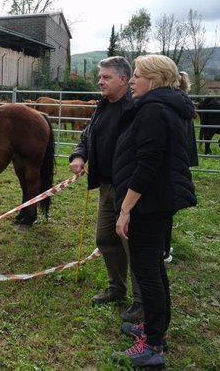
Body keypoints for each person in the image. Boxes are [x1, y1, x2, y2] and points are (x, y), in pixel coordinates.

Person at [112, 55, 197, 368]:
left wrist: (125, 209)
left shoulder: (152, 109)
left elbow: (148, 164)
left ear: (154, 79)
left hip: (149, 204)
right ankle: (154, 329)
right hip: (159, 201)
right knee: (154, 268)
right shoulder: (166, 106)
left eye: (136, 75)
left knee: (147, 271)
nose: (132, 81)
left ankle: (153, 346)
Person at [69, 56, 143, 323]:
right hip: (105, 186)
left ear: (123, 80)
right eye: (99, 76)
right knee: (105, 239)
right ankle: (116, 289)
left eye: (106, 77)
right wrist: (79, 156)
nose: (100, 81)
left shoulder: (136, 109)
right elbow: (87, 136)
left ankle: (141, 301)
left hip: (129, 190)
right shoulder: (101, 107)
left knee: (132, 245)